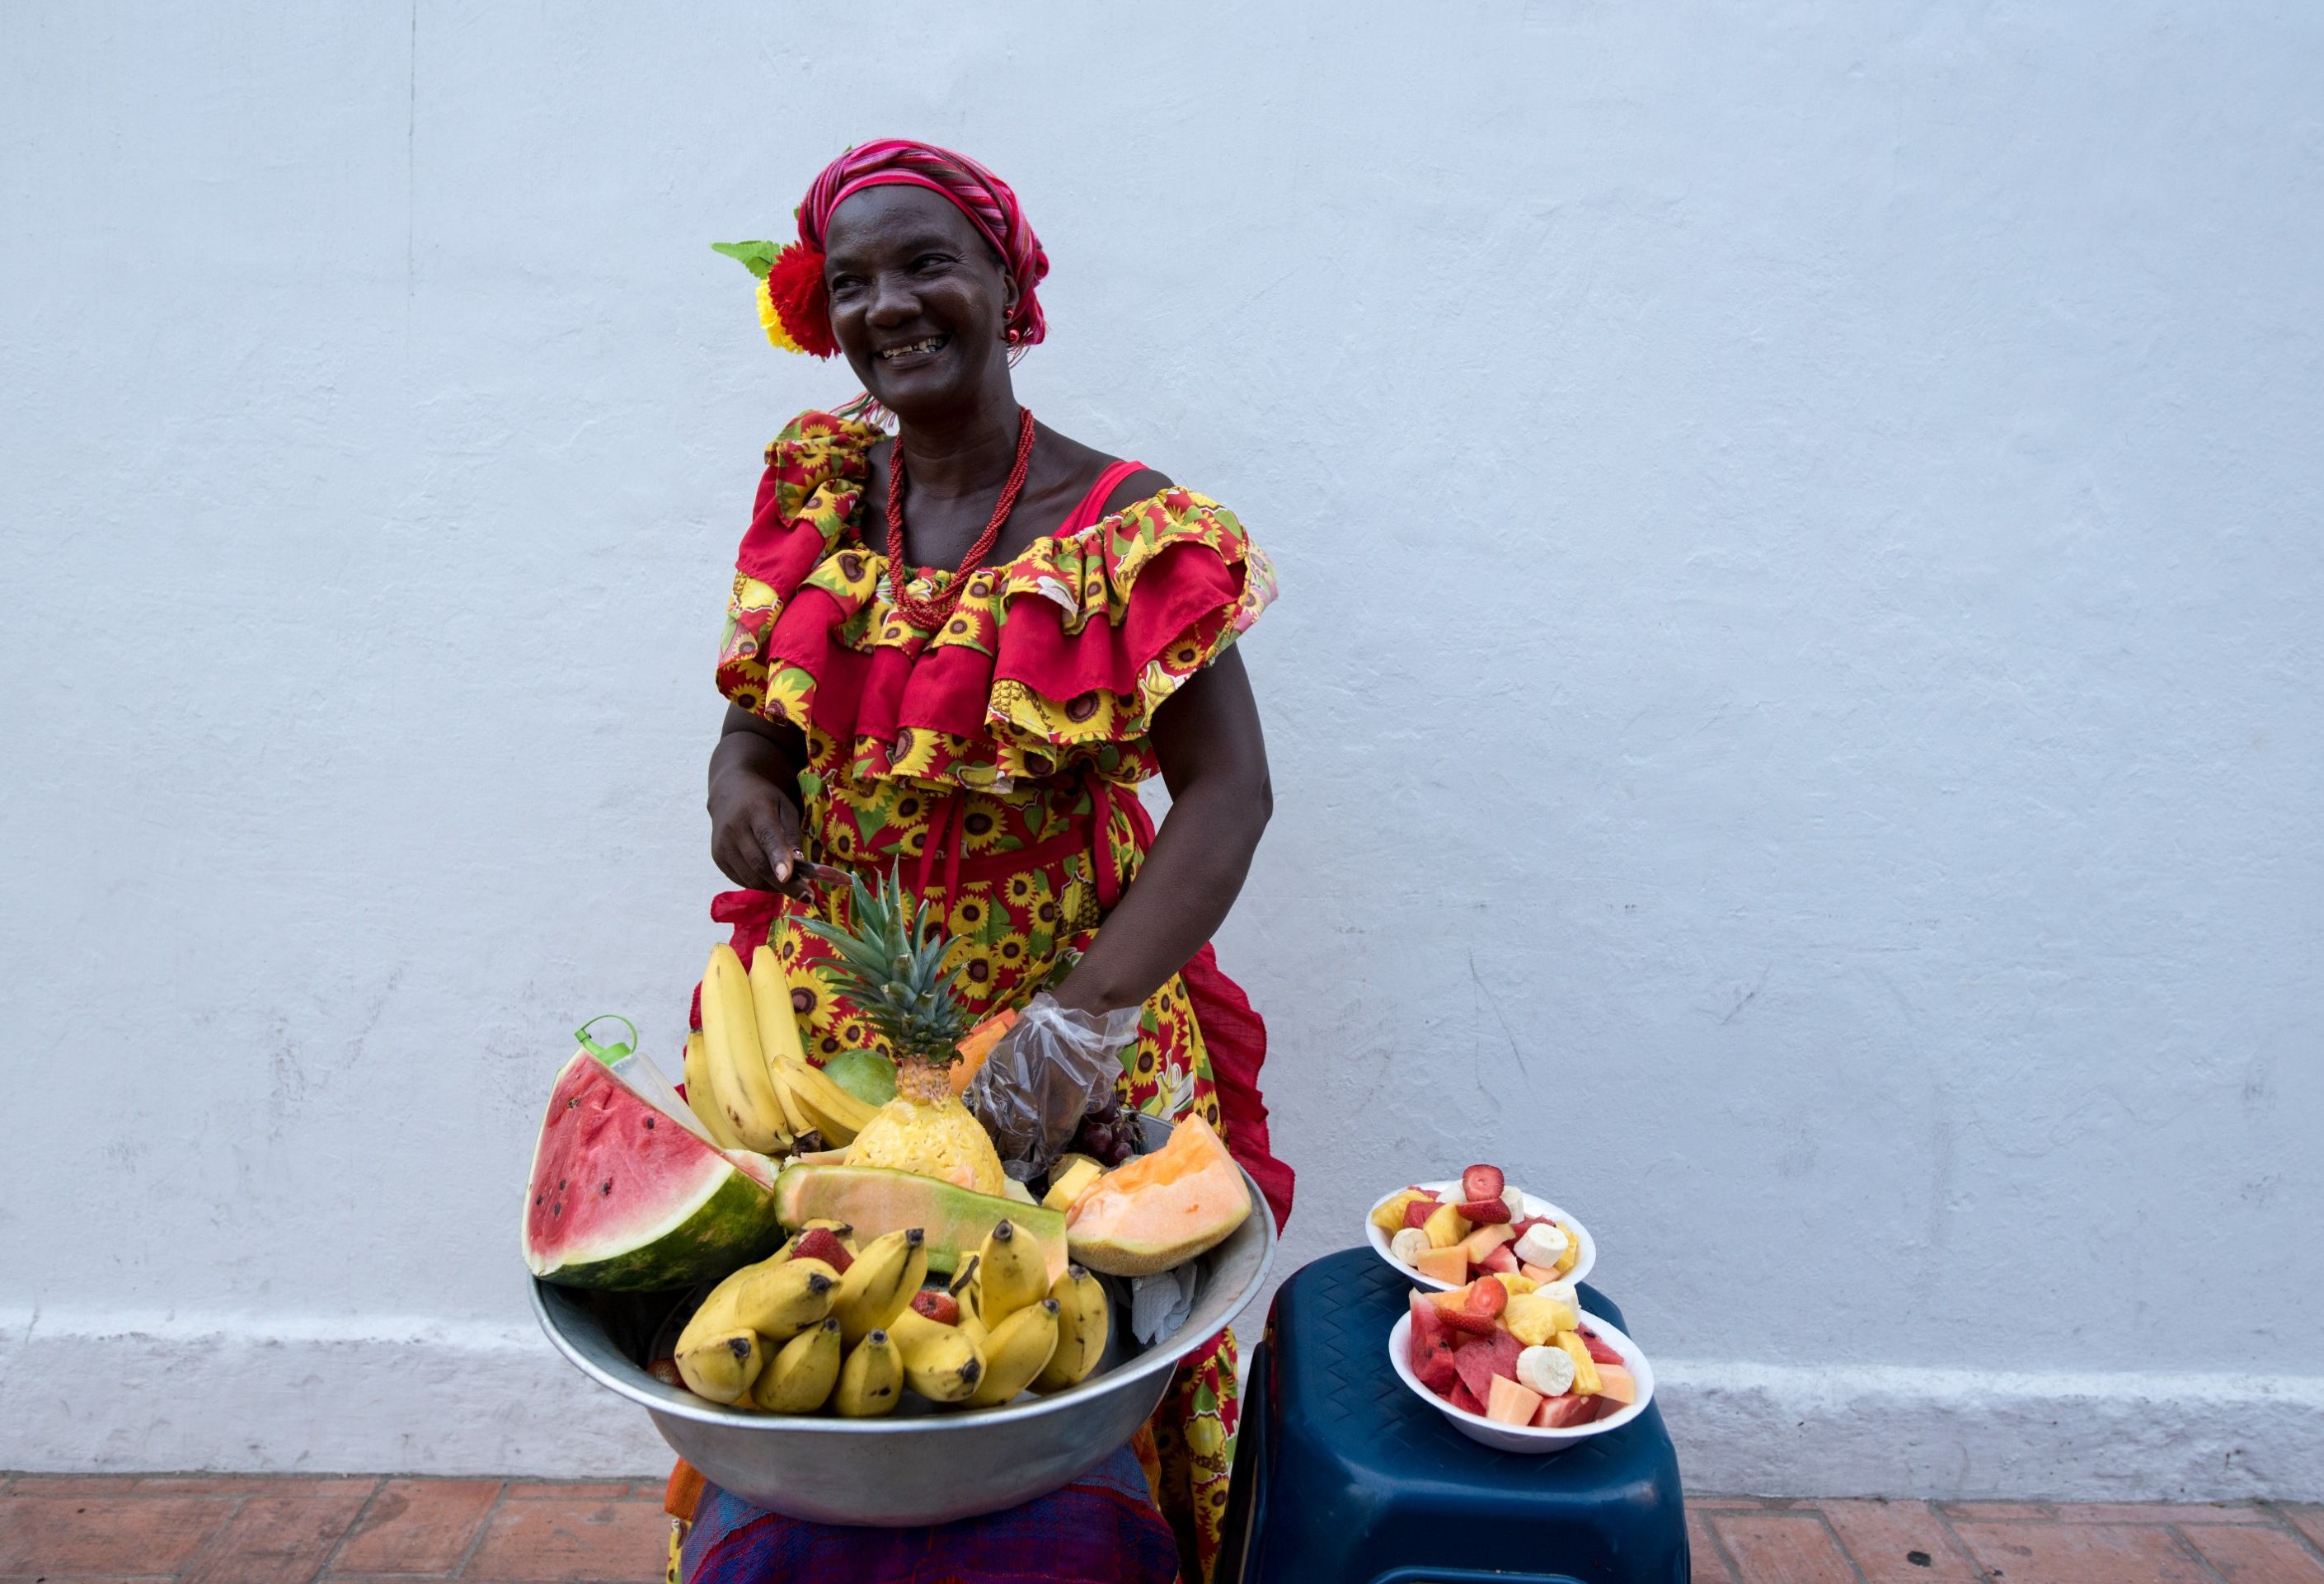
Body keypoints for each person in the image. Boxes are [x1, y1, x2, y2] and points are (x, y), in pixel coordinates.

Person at [673, 139, 1292, 1584]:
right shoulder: (818, 500)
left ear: (1008, 284)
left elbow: (1229, 795)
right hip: (835, 1045)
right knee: (817, 1378)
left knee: (1069, 1402)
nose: (890, 304)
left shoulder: (1125, 530)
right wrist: (743, 795)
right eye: (857, 280)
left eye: (929, 263)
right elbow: (749, 734)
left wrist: (1078, 1027)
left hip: (1072, 1045)